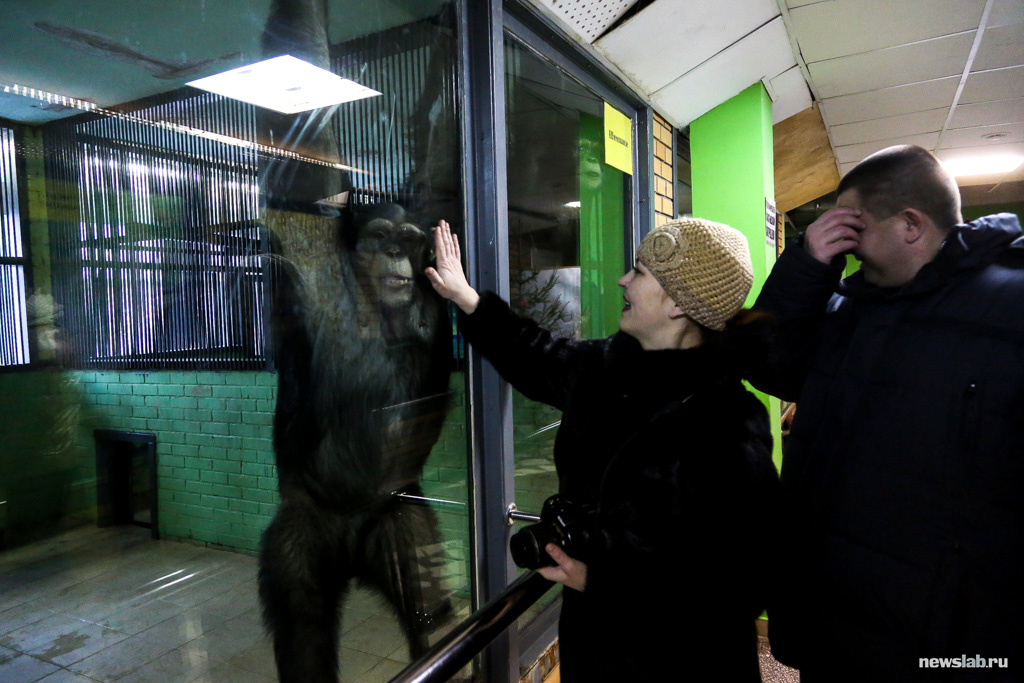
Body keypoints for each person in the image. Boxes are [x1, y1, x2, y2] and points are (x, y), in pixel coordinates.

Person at [426, 217, 781, 681]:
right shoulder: (604, 369)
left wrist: (603, 580)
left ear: (676, 302)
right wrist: (466, 298)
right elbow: (534, 354)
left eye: (639, 272)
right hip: (593, 645)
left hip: (679, 660)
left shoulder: (727, 420)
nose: (623, 279)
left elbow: (742, 579)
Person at [751, 144, 1024, 681]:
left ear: (910, 224)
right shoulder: (853, 308)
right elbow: (769, 368)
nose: (846, 246)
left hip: (953, 637)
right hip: (837, 619)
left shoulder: (1011, 307)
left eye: (854, 226)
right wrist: (805, 266)